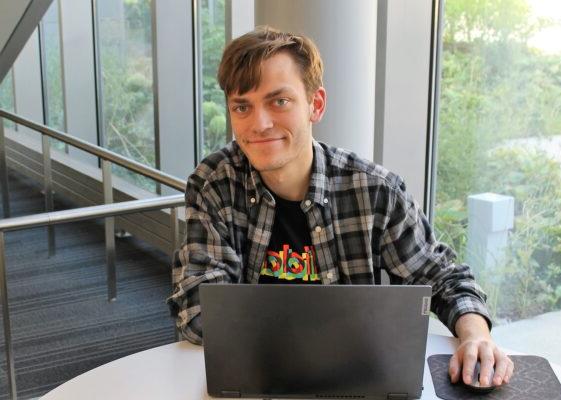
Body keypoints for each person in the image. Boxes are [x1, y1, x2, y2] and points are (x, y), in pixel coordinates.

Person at [167, 26, 513, 388]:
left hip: (353, 384)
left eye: (278, 101)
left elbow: (444, 279)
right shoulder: (215, 184)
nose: (260, 124)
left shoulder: (374, 190)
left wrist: (476, 336)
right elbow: (197, 308)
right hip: (254, 382)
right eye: (243, 106)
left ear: (315, 105)